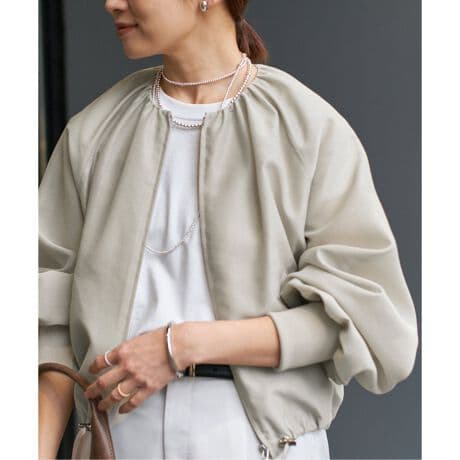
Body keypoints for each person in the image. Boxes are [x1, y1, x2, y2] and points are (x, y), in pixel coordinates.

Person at [38, 1, 419, 459]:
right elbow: (48, 324)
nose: (112, 3)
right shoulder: (94, 133)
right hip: (117, 440)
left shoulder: (305, 128)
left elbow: (362, 317)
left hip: (259, 442)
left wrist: (182, 345)